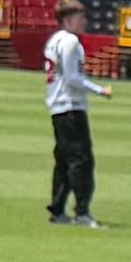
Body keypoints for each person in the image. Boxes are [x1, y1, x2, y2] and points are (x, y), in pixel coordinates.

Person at [43, 13, 109, 226]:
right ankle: (82, 212)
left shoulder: (54, 40)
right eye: (80, 19)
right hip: (71, 106)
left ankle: (58, 210)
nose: (84, 22)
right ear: (68, 20)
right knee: (81, 160)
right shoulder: (70, 41)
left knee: (63, 161)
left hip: (57, 106)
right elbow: (73, 78)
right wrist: (100, 90)